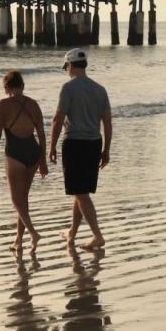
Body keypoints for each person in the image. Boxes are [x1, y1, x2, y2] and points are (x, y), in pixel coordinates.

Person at [49, 48, 112, 251]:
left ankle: (97, 235)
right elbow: (108, 122)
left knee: (80, 192)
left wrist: (51, 146)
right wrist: (107, 149)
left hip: (75, 143)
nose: (67, 69)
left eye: (66, 66)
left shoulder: (68, 88)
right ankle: (72, 232)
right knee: (81, 190)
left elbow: (58, 119)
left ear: (70, 65)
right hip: (94, 142)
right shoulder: (100, 89)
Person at [0, 70, 48, 255]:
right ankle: (18, 241)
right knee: (23, 200)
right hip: (33, 151)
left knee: (16, 199)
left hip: (14, 152)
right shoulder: (34, 104)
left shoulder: (4, 104)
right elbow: (42, 134)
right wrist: (43, 159)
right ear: (22, 85)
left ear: (6, 87)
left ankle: (33, 233)